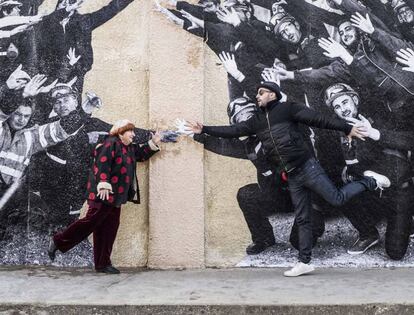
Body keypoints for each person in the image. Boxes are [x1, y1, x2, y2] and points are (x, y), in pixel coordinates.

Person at [186, 80, 390, 277]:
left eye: (261, 93)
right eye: (241, 117)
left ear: (272, 95)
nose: (257, 96)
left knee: (337, 196)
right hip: (291, 180)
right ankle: (303, 262)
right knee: (296, 228)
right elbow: (231, 134)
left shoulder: (286, 111)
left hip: (309, 169)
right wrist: (201, 131)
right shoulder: (255, 129)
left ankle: (371, 184)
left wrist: (347, 128)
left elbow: (318, 120)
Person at [48, 119, 162, 274]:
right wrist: (103, 183)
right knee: (90, 222)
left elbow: (141, 156)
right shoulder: (110, 143)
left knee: (109, 228)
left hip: (116, 196)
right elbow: (102, 163)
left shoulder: (128, 147)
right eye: (131, 131)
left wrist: (154, 143)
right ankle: (58, 241)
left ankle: (103, 263)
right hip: (102, 194)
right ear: (121, 132)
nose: (134, 135)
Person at [324, 83, 413, 259]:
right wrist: (365, 174)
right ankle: (368, 233)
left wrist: (375, 134)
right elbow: (331, 164)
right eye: (337, 107)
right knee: (338, 190)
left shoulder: (378, 117)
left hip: (396, 188)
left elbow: (409, 141)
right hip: (370, 188)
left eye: (345, 102)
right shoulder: (334, 131)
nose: (343, 109)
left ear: (355, 100)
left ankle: (407, 218)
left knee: (395, 252)